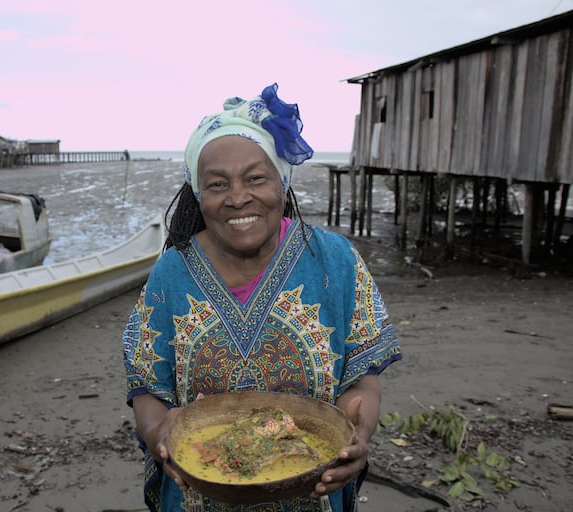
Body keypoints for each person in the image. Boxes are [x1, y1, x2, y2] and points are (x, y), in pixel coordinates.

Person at [122, 83, 402, 512]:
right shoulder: (172, 273)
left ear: (282, 183)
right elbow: (147, 385)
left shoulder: (336, 263)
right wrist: (159, 430)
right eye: (217, 184)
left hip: (312, 494)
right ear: (199, 194)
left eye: (255, 178)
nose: (237, 198)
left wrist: (356, 436)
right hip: (201, 495)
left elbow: (361, 381)